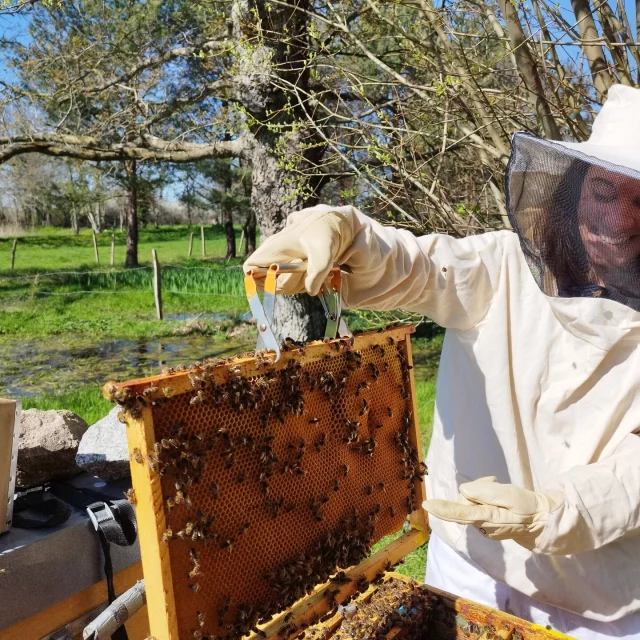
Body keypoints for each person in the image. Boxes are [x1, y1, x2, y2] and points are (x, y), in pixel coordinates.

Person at [244, 84, 640, 639]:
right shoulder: (501, 266)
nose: (618, 220)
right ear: (575, 189)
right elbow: (419, 267)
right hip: (469, 565)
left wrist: (557, 510)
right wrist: (348, 234)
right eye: (604, 189)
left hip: (597, 601)